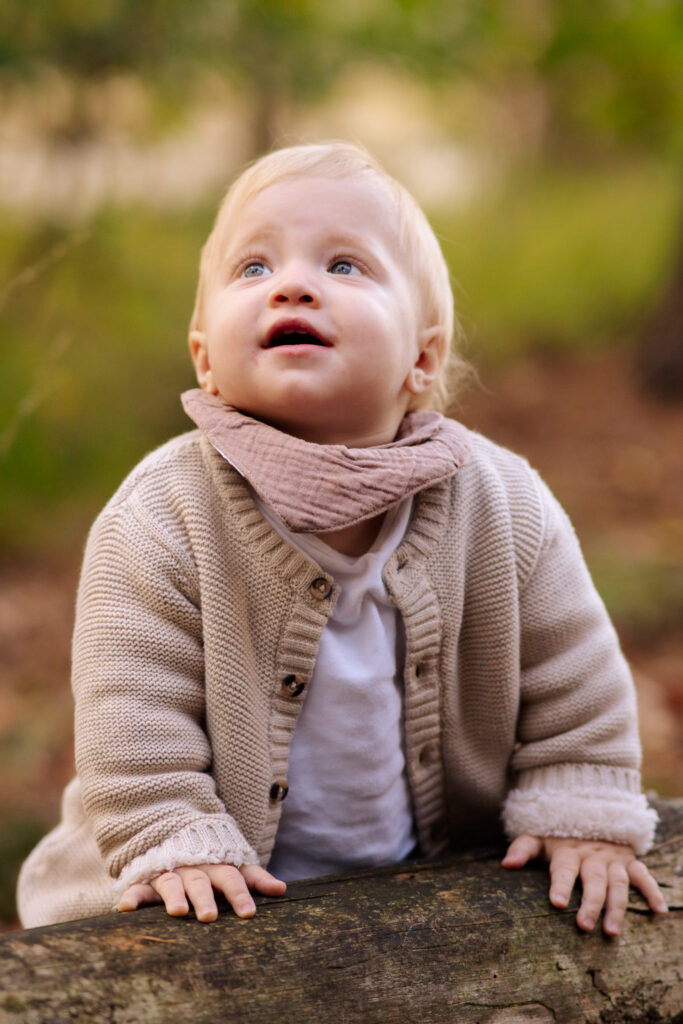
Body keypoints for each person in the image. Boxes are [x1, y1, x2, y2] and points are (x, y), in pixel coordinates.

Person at [18, 141, 667, 937]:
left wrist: (582, 807)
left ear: (421, 359)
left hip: (421, 887)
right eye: (253, 268)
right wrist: (169, 834)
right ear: (204, 359)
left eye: (345, 266)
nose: (292, 283)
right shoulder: (161, 515)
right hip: (201, 893)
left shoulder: (501, 504)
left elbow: (573, 670)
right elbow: (131, 705)